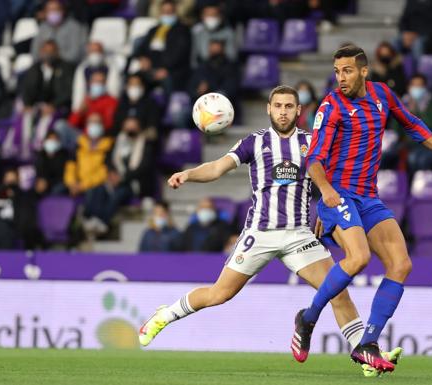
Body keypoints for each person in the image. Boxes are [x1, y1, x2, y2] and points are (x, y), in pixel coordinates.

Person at [138, 85, 402, 377]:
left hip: (299, 235)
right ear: (268, 108)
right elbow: (216, 168)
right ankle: (165, 315)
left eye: (289, 106)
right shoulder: (255, 142)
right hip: (260, 234)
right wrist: (188, 174)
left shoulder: (312, 143)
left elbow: (331, 181)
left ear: (299, 111)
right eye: (278, 106)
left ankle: (364, 354)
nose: (283, 111)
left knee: (339, 292)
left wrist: (325, 214)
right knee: (219, 294)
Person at [293, 45, 432, 373]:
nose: (341, 78)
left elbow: (413, 124)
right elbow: (315, 159)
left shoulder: (381, 95)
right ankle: (308, 319)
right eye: (337, 72)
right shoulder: (332, 105)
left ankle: (367, 343)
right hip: (339, 194)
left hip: (368, 196)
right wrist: (325, 194)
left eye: (347, 71)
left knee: (401, 264)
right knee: (359, 258)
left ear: (364, 71)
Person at [133, 0, 192, 92]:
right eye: (164, 12)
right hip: (150, 68)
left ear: (175, 12)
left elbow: (179, 54)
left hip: (171, 71)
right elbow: (141, 47)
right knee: (134, 78)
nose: (167, 14)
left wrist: (166, 69)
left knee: (167, 81)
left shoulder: (182, 30)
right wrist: (142, 58)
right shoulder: (154, 30)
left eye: (170, 12)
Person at [64, 113, 114, 197]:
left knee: (93, 194)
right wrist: (71, 183)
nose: (94, 125)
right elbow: (71, 165)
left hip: (96, 184)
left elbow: (105, 170)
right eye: (91, 122)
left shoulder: (109, 145)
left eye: (97, 123)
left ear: (102, 125)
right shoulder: (79, 143)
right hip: (76, 183)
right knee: (58, 191)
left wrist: (83, 185)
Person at [71, 41, 123, 112]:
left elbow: (114, 91)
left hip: (106, 104)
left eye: (97, 51)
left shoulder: (111, 67)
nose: (95, 54)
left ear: (102, 52)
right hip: (87, 105)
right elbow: (79, 90)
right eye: (92, 51)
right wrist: (77, 109)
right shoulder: (82, 69)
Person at [190, 3, 237, 68]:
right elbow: (193, 59)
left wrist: (221, 52)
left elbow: (232, 57)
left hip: (224, 68)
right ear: (202, 16)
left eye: (214, 15)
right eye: (208, 15)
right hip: (202, 69)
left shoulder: (228, 32)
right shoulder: (197, 31)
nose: (211, 18)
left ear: (220, 16)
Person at [34, 131, 69, 196]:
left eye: (55, 140)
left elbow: (63, 176)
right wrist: (41, 181)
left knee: (57, 190)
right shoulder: (40, 155)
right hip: (43, 183)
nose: (52, 142)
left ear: (59, 142)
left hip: (58, 183)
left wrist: (47, 182)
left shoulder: (64, 155)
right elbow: (39, 172)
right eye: (50, 139)